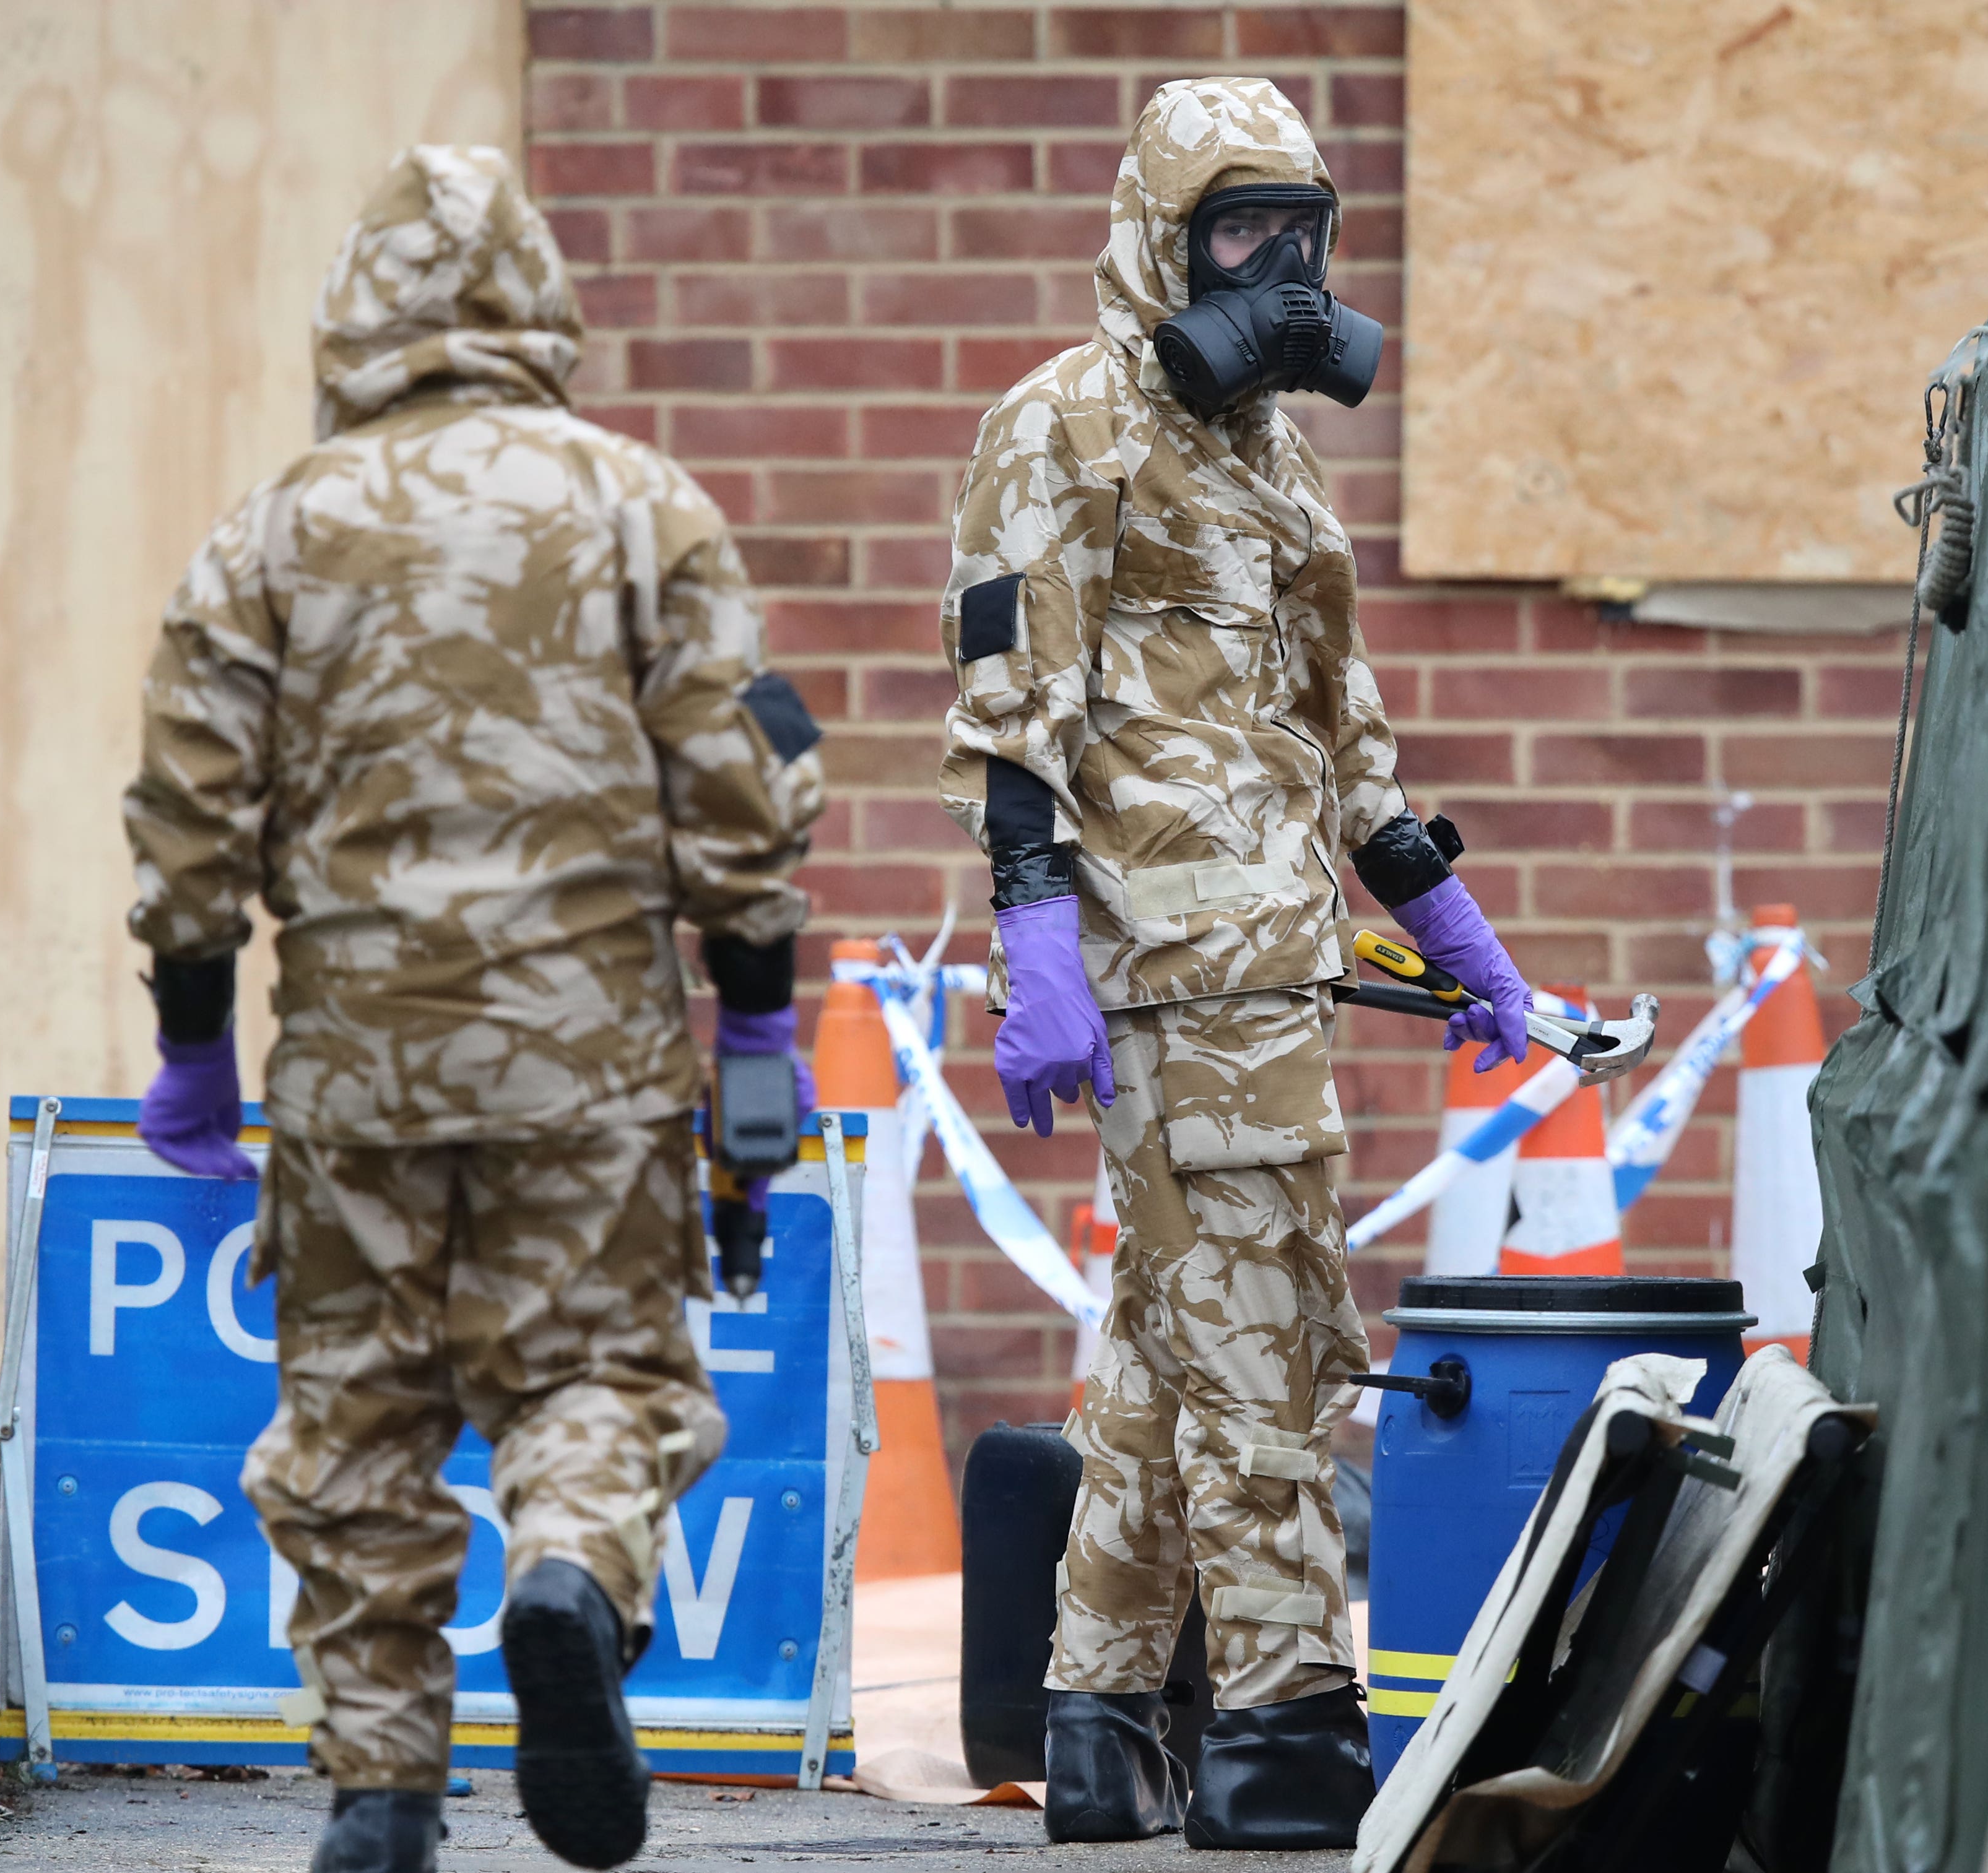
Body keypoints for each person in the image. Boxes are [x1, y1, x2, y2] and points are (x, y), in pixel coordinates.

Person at [121, 145, 823, 1873]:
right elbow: (740, 785)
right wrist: (750, 1014)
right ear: (539, 301)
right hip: (588, 1056)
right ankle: (570, 1577)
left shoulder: (273, 526)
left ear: (354, 312)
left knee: (354, 1413)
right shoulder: (640, 503)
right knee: (593, 1368)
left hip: (354, 1058)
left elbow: (187, 807)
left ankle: (379, 1794)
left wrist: (195, 1048)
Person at [935, 80, 1537, 1851]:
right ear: (1158, 231)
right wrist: (1032, 927)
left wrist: (1443, 916)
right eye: (1233, 233)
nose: (1273, 269)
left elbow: (1334, 723)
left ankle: (1100, 1717)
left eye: (1297, 232)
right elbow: (1007, 697)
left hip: (1270, 961)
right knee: (1265, 1337)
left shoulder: (1265, 455)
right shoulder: (1060, 428)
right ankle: (1282, 1717)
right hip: (1158, 959)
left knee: (1168, 1338)